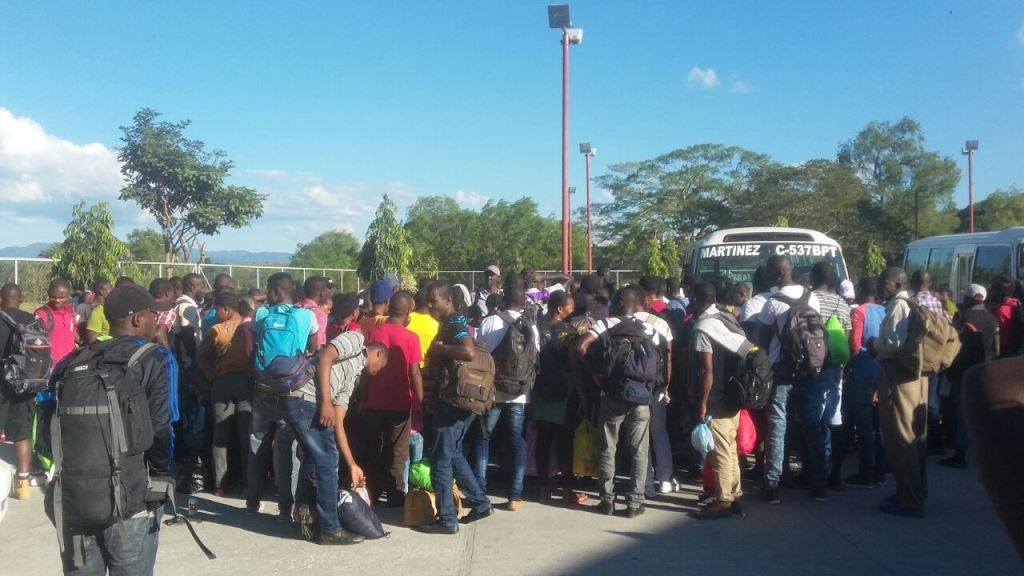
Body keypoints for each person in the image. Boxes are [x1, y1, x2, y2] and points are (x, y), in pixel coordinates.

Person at [44, 284, 177, 575]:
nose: (158, 320)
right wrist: (158, 477)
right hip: (131, 502)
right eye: (154, 314)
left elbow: (43, 434)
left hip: (73, 500)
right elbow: (161, 428)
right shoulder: (156, 358)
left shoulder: (69, 362)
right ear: (137, 319)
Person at [252, 273, 357, 544]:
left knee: (260, 444)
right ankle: (305, 517)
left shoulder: (261, 314)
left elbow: (253, 347)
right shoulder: (308, 317)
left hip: (263, 387)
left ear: (276, 292)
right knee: (305, 452)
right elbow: (314, 351)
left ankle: (264, 504)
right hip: (294, 386)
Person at [574, 287, 660, 518]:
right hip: (642, 397)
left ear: (620, 302)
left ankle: (607, 501)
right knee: (639, 451)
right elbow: (662, 358)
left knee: (608, 448)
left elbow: (580, 346)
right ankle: (634, 503)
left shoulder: (606, 324)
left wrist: (596, 375)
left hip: (613, 394)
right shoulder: (649, 328)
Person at [417, 280, 493, 535]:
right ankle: (481, 503)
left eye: (434, 301)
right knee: (454, 452)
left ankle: (447, 520)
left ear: (448, 300)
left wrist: (440, 349)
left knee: (441, 459)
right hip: (456, 400)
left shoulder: (455, 324)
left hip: (451, 403)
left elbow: (468, 351)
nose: (430, 306)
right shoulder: (451, 322)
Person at [754, 255, 822, 504]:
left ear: (778, 274)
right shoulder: (812, 297)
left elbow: (760, 341)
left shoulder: (773, 303)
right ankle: (819, 485)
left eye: (768, 273)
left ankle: (772, 486)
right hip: (810, 371)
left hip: (781, 373)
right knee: (812, 426)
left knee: (777, 429)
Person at [473, 275, 540, 511]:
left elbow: (479, 354)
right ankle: (514, 496)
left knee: (483, 437)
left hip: (492, 390)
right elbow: (535, 359)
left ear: (503, 298)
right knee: (517, 439)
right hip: (519, 393)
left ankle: (479, 491)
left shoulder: (489, 322)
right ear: (523, 301)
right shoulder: (531, 327)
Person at [868, 267, 928, 518]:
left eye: (885, 282)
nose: (880, 287)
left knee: (901, 438)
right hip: (915, 377)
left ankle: (909, 500)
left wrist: (873, 344)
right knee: (916, 438)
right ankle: (913, 491)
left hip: (899, 377)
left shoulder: (897, 306)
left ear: (897, 285)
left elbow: (892, 343)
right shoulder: (911, 304)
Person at [690, 282, 751, 519]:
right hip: (734, 392)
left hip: (717, 397)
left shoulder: (703, 328)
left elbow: (707, 371)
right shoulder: (727, 318)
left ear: (695, 299)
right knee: (730, 447)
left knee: (721, 451)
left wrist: (703, 403)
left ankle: (723, 500)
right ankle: (734, 495)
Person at [362, 291, 423, 508]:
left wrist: (362, 398)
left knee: (374, 446)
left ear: (389, 307)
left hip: (374, 400)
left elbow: (365, 369)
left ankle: (373, 491)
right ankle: (396, 494)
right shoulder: (411, 337)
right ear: (407, 312)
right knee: (398, 450)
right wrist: (419, 402)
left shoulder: (373, 334)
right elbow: (414, 372)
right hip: (400, 401)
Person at [316, 331, 389, 492]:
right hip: (305, 399)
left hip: (316, 407)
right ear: (379, 353)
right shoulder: (356, 339)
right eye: (381, 366)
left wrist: (352, 464)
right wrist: (326, 402)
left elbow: (338, 423)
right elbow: (325, 356)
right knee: (323, 460)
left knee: (325, 459)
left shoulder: (353, 378)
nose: (378, 372)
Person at [196, 291, 253, 496]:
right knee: (246, 435)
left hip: (223, 383)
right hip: (247, 383)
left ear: (226, 309)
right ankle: (249, 483)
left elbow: (201, 355)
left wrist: (211, 376)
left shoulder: (218, 329)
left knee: (221, 435)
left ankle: (220, 484)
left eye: (218, 309)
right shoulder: (250, 326)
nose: (216, 314)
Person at [940, 284, 998, 469]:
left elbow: (950, 342)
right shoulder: (993, 319)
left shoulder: (961, 317)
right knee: (982, 411)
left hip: (962, 372)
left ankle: (960, 454)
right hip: (985, 370)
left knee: (961, 413)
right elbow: (996, 349)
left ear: (968, 299)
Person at [531, 290, 579, 504]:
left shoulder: (537, 329)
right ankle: (567, 489)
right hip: (564, 392)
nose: (573, 310)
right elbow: (576, 364)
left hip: (540, 390)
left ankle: (543, 488)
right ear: (560, 309)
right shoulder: (570, 332)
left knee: (543, 440)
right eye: (570, 307)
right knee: (565, 442)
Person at [810, 262, 851, 491]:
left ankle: (815, 474)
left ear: (813, 279)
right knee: (835, 419)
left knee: (814, 420)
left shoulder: (810, 300)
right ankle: (836, 476)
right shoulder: (843, 304)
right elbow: (847, 338)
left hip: (814, 367)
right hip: (836, 368)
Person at [843, 277, 888, 488]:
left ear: (861, 290)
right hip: (883, 370)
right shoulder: (885, 311)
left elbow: (854, 346)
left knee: (864, 424)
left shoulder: (859, 312)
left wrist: (848, 367)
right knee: (880, 424)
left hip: (863, 370)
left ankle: (866, 473)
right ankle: (880, 471)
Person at [0, 283, 39, 500]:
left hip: (1, 384)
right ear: (21, 299)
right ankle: (23, 484)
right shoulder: (32, 320)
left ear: (0, 299)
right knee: (22, 434)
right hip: (25, 385)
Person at [36, 278, 79, 365]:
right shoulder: (42, 314)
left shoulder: (70, 312)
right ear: (48, 293)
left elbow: (73, 333)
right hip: (51, 366)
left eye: (61, 297)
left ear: (69, 295)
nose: (57, 300)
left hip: (69, 363)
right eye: (53, 297)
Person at [989, 275, 1021, 358]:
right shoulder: (1017, 303)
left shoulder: (1001, 310)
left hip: (1006, 351)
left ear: (1000, 292)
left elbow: (1001, 336)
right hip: (1016, 349)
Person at [299, 276, 333, 349]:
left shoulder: (294, 307)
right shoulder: (320, 314)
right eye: (326, 291)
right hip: (306, 354)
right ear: (321, 293)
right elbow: (318, 344)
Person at [148, 278, 177, 349]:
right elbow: (159, 334)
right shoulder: (168, 311)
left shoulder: (144, 307)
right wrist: (167, 353)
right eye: (173, 292)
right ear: (167, 293)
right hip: (156, 351)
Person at [83, 279, 113, 344]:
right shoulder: (96, 313)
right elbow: (91, 342)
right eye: (110, 288)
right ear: (102, 292)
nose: (113, 291)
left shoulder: (109, 308)